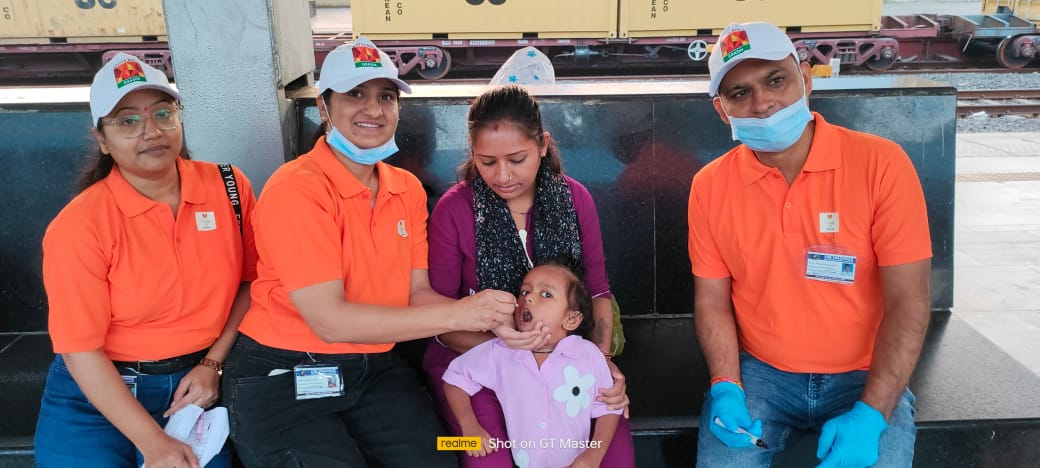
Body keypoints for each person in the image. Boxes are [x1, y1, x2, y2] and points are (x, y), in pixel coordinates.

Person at [221, 38, 516, 467]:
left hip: (373, 366)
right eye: (355, 94)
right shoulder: (296, 189)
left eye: (386, 96)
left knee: (438, 457)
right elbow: (329, 320)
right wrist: (462, 313)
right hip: (284, 374)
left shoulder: (406, 188)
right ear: (324, 108)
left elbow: (416, 293)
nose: (374, 110)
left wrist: (496, 330)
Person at [688, 22, 932, 467]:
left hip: (864, 372)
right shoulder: (709, 186)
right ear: (722, 111)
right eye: (739, 93)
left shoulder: (881, 165)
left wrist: (872, 414)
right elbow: (712, 300)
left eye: (776, 80)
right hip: (761, 373)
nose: (762, 103)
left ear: (807, 77)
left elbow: (910, 300)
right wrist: (725, 384)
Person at [34, 53, 257, 468]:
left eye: (162, 113)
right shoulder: (81, 224)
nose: (151, 130)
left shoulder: (227, 187)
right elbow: (81, 350)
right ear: (102, 139)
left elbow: (251, 282)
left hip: (193, 389)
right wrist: (154, 445)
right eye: (127, 120)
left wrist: (213, 365)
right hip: (96, 395)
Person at [424, 84, 635, 468]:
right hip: (473, 360)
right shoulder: (455, 210)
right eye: (487, 162)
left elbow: (599, 292)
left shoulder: (575, 200)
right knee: (490, 459)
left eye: (517, 159)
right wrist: (511, 354)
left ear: (542, 145)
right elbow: (438, 316)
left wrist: (601, 364)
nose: (503, 175)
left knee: (610, 456)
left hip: (567, 358)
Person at [444, 256, 621, 468]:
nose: (528, 299)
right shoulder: (501, 352)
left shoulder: (589, 356)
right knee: (441, 446)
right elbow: (455, 379)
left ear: (571, 319)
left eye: (546, 294)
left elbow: (608, 408)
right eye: (525, 291)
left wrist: (594, 455)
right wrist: (469, 426)